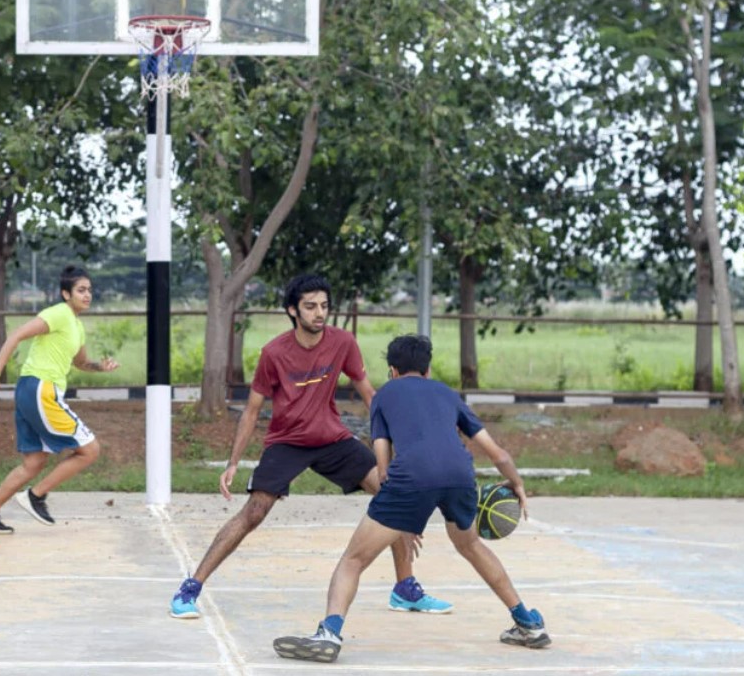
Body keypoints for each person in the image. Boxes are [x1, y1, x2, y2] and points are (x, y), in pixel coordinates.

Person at [169, 274, 450, 619]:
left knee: (392, 492)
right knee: (253, 512)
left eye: (324, 306)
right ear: (293, 310)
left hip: (332, 438)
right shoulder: (274, 353)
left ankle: (405, 588)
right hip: (287, 442)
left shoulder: (343, 342)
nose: (320, 313)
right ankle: (190, 588)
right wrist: (233, 463)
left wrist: (403, 437)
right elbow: (252, 410)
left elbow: (371, 396)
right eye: (311, 306)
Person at [272, 334, 551, 663]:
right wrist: (516, 483)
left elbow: (381, 454)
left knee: (353, 560)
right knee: (471, 545)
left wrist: (401, 507)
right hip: (461, 475)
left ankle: (329, 633)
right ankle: (528, 623)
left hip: (413, 477)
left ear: (391, 370)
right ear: (428, 369)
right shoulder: (449, 395)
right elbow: (498, 453)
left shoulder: (384, 395)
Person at [0, 265, 119, 532]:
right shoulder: (58, 314)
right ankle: (35, 495)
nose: (87, 295)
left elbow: (81, 362)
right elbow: (17, 334)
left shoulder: (76, 325)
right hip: (41, 389)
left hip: (32, 390)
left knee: (34, 462)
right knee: (90, 449)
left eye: (89, 290)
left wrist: (101, 367)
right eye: (80, 290)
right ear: (66, 294)